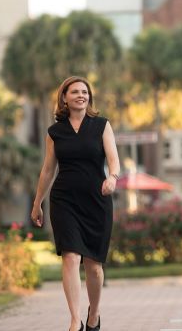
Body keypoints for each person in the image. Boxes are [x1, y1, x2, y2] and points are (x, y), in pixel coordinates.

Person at [31, 76, 120, 331]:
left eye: (85, 91)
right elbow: (47, 170)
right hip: (64, 200)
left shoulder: (102, 125)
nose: (81, 95)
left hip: (96, 200)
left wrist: (113, 178)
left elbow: (113, 159)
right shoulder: (55, 132)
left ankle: (94, 314)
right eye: (75, 92)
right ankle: (74, 320)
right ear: (64, 97)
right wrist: (37, 202)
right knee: (70, 257)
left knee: (93, 266)